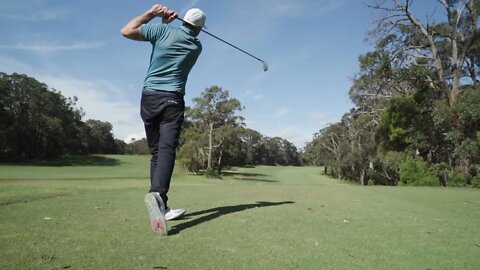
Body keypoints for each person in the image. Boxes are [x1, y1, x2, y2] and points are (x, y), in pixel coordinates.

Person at [121, 4, 205, 236]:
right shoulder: (196, 46)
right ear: (199, 29)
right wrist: (168, 26)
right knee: (167, 150)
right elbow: (184, 37)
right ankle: (158, 196)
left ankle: (161, 203)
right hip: (172, 100)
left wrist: (153, 16)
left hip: (148, 98)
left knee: (157, 152)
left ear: (183, 21)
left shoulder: (161, 32)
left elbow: (126, 31)